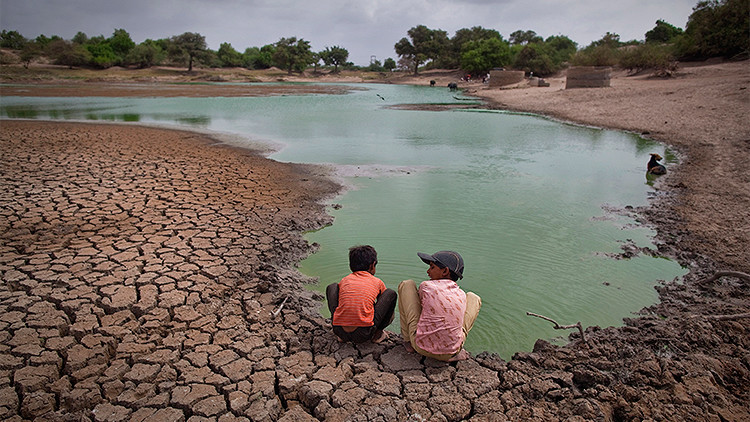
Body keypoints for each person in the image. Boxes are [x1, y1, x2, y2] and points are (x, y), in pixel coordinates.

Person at [398, 250, 482, 361]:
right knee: (474, 298)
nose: (428, 271)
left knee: (406, 285)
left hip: (420, 347)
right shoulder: (461, 294)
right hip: (452, 351)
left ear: (445, 271)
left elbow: (421, 309)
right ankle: (454, 349)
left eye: (432, 267)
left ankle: (408, 341)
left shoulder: (427, 286)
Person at [326, 245, 397, 344]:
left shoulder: (345, 280)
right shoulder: (377, 281)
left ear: (351, 266)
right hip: (364, 334)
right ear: (372, 265)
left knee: (332, 287)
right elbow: (384, 305)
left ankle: (339, 333)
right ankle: (377, 334)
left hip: (340, 330)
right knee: (390, 294)